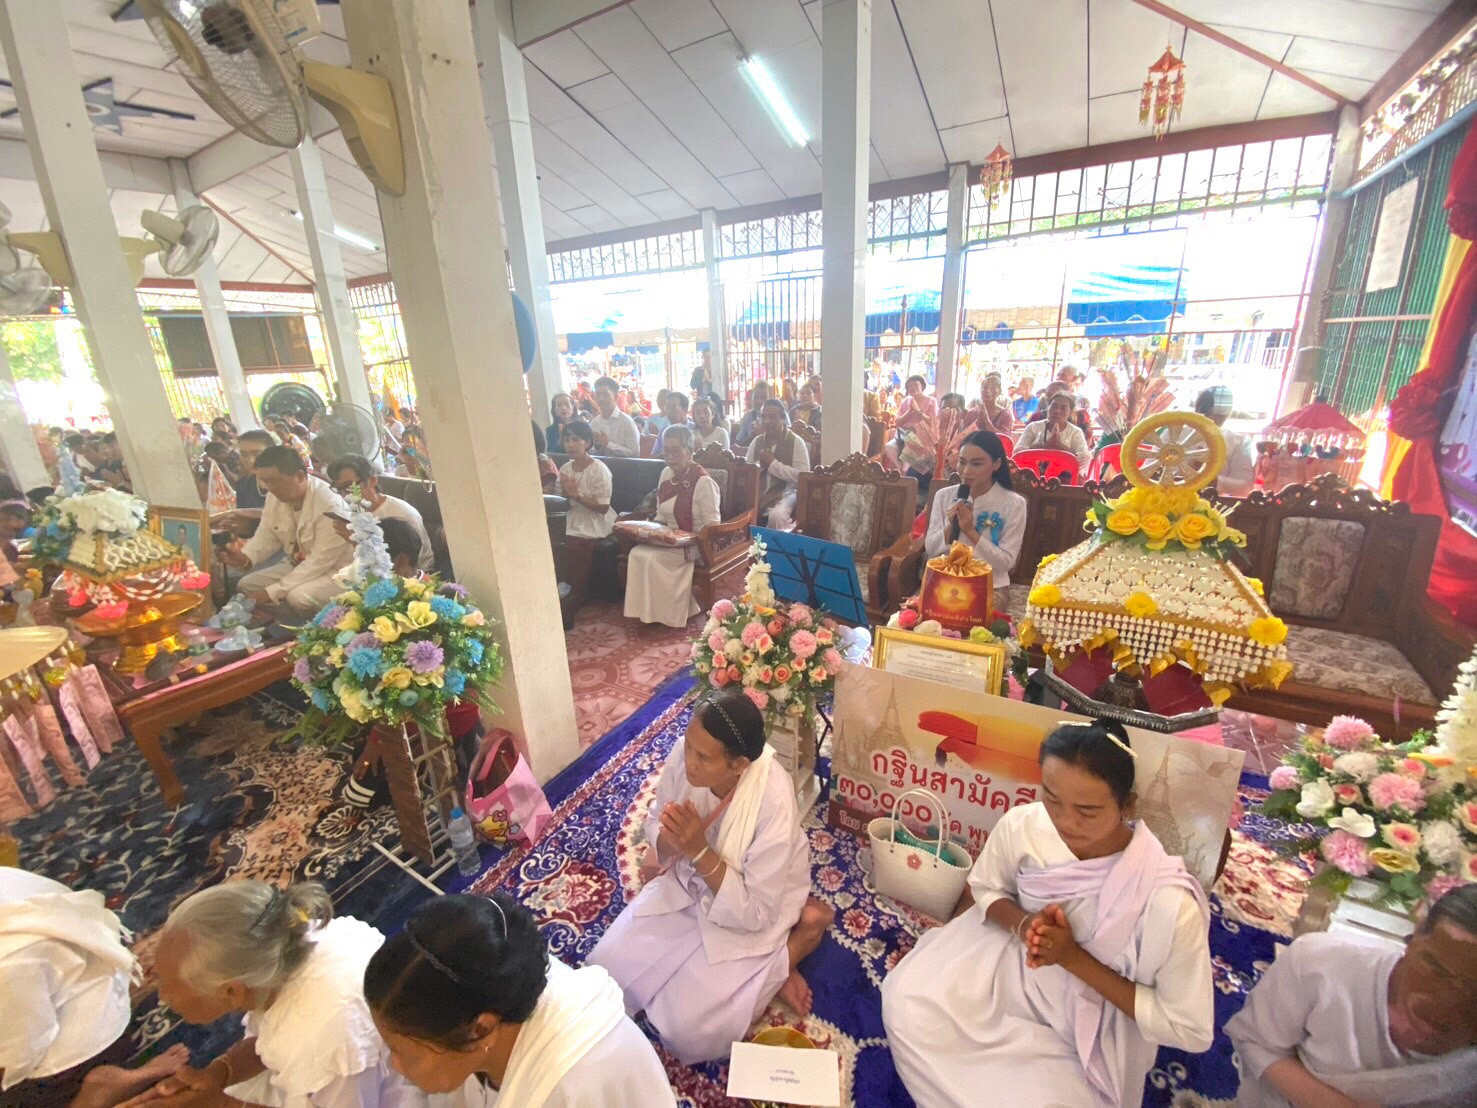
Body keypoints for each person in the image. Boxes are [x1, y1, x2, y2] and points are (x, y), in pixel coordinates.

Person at [882, 719, 1214, 1107]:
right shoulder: (1025, 824)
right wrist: (1024, 925)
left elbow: (1189, 1028)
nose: (1066, 822)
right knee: (907, 1003)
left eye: (1088, 811)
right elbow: (987, 887)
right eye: (1053, 799)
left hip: (1088, 1025)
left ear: (1127, 805)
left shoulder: (1169, 903)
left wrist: (1071, 958)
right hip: (1010, 968)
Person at [588, 691, 830, 1064]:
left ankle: (795, 947)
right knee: (604, 974)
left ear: (739, 765)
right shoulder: (684, 757)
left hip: (751, 906)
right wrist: (672, 839)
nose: (689, 762)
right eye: (688, 746)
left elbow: (755, 912)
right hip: (686, 883)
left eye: (703, 757)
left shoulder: (774, 800)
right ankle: (764, 969)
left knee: (689, 1032)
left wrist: (700, 850)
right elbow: (655, 820)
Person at [364, 893, 674, 1108]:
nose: (395, 1066)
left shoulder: (573, 1091)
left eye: (402, 1052)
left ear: (481, 1029)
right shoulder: (498, 983)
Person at [136, 880, 417, 1108]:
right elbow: (266, 1041)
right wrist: (217, 1075)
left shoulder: (320, 1042)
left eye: (165, 983)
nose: (162, 997)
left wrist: (220, 1104)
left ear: (232, 991)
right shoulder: (285, 946)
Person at [1226, 885, 1477, 1108]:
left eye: (1472, 991)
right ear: (1418, 932)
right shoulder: (1322, 963)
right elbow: (1255, 1042)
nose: (1442, 1002)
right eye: (1434, 967)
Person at [0, 867, 191, 1107]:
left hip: (84, 1050)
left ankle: (94, 1095)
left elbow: (21, 1054)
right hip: (96, 988)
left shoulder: (8, 967)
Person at [216, 446, 353, 616]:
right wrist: (246, 557)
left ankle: (314, 626)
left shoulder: (330, 505)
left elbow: (319, 561)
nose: (269, 487)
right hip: (299, 563)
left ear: (300, 476)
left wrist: (272, 592)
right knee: (247, 585)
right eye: (264, 481)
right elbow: (267, 534)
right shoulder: (275, 495)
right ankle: (280, 624)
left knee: (298, 597)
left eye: (273, 480)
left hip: (337, 571)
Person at [623, 425, 721, 629]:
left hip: (696, 543)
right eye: (666, 451)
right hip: (668, 538)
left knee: (653, 558)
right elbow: (660, 513)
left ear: (690, 451)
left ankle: (673, 614)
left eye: (675, 451)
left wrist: (685, 539)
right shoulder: (666, 473)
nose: (669, 456)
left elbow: (713, 525)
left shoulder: (703, 482)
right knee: (638, 553)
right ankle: (648, 612)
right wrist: (653, 531)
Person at [922, 430, 1028, 585]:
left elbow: (1006, 563)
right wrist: (950, 527)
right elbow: (931, 549)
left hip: (990, 584)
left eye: (976, 464)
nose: (966, 471)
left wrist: (971, 532)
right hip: (946, 580)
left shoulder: (1014, 504)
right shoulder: (943, 496)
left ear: (996, 464)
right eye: (962, 462)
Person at [326, 455, 434, 572]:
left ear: (372, 481)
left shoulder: (401, 515)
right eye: (339, 489)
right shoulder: (354, 511)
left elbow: (414, 565)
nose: (345, 495)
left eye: (349, 487)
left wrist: (357, 542)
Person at [558, 421, 615, 627]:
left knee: (575, 542)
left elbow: (603, 507)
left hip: (594, 519)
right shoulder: (565, 468)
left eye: (576, 439)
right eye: (567, 440)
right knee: (554, 539)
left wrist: (577, 496)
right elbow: (562, 499)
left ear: (588, 443)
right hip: (572, 515)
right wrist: (566, 494)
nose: (570, 444)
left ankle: (576, 593)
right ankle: (561, 587)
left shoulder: (599, 469)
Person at [744, 398, 809, 531]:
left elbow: (802, 476)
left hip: (788, 492)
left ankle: (777, 543)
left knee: (776, 516)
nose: (767, 421)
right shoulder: (756, 442)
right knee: (741, 508)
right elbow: (747, 471)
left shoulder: (796, 442)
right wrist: (760, 466)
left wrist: (773, 464)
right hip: (759, 492)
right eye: (763, 417)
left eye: (772, 417)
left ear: (783, 418)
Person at [1195, 386, 1256, 497]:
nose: (1217, 416)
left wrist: (1212, 480)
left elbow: (1245, 487)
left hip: (1213, 504)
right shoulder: (1173, 433)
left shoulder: (1239, 442)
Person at [1016, 391, 1092, 469]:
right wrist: (1043, 446)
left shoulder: (1075, 432)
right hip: (1031, 474)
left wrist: (1061, 448)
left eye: (1063, 408)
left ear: (1070, 413)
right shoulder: (1033, 427)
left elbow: (1084, 459)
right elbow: (1017, 453)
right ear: (1048, 407)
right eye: (1053, 406)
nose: (1057, 411)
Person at [884, 374, 939, 473]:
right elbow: (898, 422)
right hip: (904, 435)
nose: (913, 387)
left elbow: (933, 423)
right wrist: (909, 412)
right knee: (889, 447)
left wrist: (919, 413)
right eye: (910, 386)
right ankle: (902, 469)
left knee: (910, 446)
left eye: (916, 384)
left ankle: (904, 472)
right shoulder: (905, 401)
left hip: (923, 436)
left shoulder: (931, 401)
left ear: (922, 386)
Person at [587, 376, 640, 458]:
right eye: (598, 394)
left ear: (616, 397)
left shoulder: (626, 422)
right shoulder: (595, 423)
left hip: (623, 465)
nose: (601, 399)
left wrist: (608, 444)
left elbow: (635, 453)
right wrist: (596, 447)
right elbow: (592, 452)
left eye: (605, 394)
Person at [231, 429, 273, 512]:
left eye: (256, 454)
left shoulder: (287, 483)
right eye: (244, 455)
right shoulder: (243, 485)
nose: (251, 461)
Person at [733, 381, 771, 450]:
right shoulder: (747, 417)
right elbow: (738, 445)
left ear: (770, 399)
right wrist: (752, 436)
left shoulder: (779, 416)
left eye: (763, 397)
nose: (758, 401)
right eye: (755, 397)